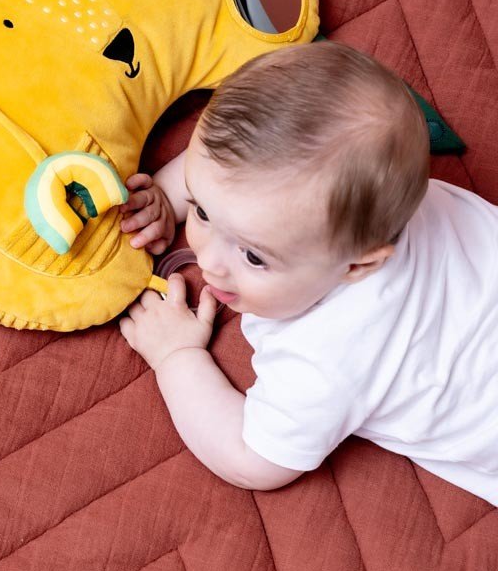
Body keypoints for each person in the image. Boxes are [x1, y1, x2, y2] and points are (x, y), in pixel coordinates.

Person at [117, 41, 498, 503]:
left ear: (358, 266)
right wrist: (163, 196)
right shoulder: (377, 198)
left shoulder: (325, 357)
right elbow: (227, 168)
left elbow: (250, 460)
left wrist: (176, 356)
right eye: (201, 211)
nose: (208, 259)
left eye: (254, 257)